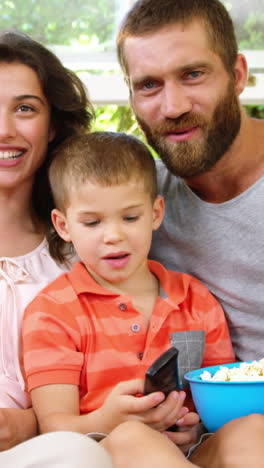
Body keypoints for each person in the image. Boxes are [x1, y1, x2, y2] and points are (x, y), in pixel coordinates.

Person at [115, 0, 264, 465]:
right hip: (200, 439)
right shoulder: (137, 206)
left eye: (193, 74)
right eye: (149, 85)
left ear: (237, 74)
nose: (173, 107)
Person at [22, 131, 234, 456]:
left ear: (156, 213)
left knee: (249, 430)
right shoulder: (52, 311)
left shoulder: (196, 300)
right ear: (63, 226)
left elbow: (220, 401)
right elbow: (52, 426)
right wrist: (108, 420)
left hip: (189, 452)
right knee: (135, 438)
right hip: (103, 453)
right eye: (92, 223)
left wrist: (196, 428)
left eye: (130, 217)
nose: (113, 236)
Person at [0, 28, 93, 451]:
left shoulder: (87, 251)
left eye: (24, 108)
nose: (4, 130)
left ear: (53, 125)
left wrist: (30, 425)